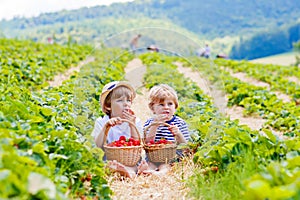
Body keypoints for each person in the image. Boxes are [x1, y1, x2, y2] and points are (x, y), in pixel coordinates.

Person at [91, 81, 147, 178]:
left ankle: (129, 171)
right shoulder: (102, 122)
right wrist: (106, 127)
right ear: (108, 106)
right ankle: (124, 171)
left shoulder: (135, 121)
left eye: (128, 100)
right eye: (120, 100)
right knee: (106, 166)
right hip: (110, 160)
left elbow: (138, 145)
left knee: (136, 165)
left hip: (130, 161)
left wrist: (132, 125)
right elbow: (98, 146)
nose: (126, 104)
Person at [138, 84, 190, 175]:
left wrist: (178, 134)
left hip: (170, 158)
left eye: (170, 104)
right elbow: (147, 143)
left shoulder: (180, 123)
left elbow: (185, 147)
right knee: (149, 164)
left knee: (166, 166)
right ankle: (147, 171)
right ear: (153, 108)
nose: (166, 107)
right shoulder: (149, 123)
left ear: (175, 106)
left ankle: (159, 174)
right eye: (161, 105)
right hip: (153, 157)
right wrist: (155, 125)